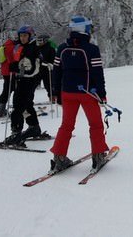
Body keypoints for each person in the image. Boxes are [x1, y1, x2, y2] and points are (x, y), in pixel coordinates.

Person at [49, 15, 110, 173]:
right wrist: (102, 95)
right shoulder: (91, 49)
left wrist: (56, 93)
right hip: (87, 93)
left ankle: (59, 158)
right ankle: (98, 156)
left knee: (66, 125)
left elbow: (56, 72)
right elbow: (97, 74)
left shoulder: (62, 48)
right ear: (86, 30)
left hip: (67, 93)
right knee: (95, 124)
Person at [3, 26, 43, 145]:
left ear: (30, 36)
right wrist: (15, 66)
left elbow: (34, 69)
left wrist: (20, 70)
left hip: (29, 81)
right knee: (26, 105)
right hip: (21, 80)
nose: (22, 38)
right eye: (21, 36)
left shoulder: (33, 48)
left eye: (25, 36)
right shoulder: (21, 47)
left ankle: (16, 132)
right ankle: (34, 127)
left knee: (18, 106)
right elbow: (20, 62)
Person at [0, 30, 19, 118]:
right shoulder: (11, 47)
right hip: (10, 72)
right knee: (9, 90)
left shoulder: (6, 45)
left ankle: (1, 109)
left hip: (6, 71)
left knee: (7, 89)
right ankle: (2, 110)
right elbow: (12, 60)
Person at [35, 34, 56, 102]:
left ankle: (52, 97)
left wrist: (46, 63)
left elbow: (52, 60)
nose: (39, 42)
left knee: (49, 85)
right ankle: (28, 100)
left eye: (41, 41)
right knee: (32, 85)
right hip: (38, 70)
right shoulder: (37, 48)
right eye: (38, 41)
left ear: (45, 41)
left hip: (47, 70)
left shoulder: (50, 48)